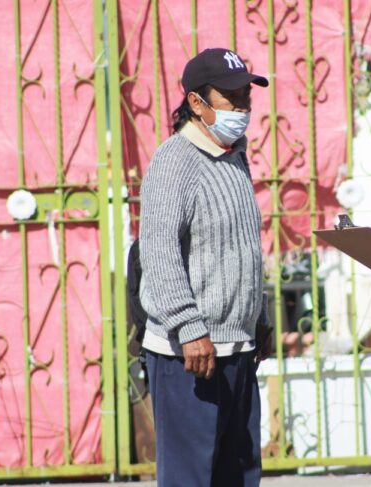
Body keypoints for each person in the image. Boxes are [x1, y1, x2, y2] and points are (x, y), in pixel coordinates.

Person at [138, 47, 273, 487]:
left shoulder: (235, 157)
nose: (242, 107)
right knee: (190, 480)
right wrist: (188, 326)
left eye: (246, 96)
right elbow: (157, 252)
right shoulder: (175, 160)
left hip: (236, 350)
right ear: (197, 103)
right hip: (190, 355)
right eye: (231, 96)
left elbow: (241, 247)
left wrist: (262, 317)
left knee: (238, 476)